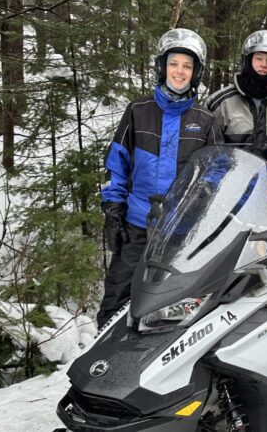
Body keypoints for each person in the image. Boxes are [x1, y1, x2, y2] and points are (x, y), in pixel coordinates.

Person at [98, 28, 222, 328]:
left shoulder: (205, 120)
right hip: (137, 224)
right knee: (117, 297)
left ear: (196, 73)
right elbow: (118, 163)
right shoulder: (138, 111)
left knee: (171, 303)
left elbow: (216, 174)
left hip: (180, 231)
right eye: (174, 63)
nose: (180, 72)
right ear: (162, 67)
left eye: (187, 66)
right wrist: (114, 211)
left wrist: (205, 214)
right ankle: (103, 361)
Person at [206, 30, 267, 158]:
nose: (264, 64)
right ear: (248, 60)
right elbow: (205, 153)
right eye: (259, 58)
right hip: (230, 176)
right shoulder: (220, 103)